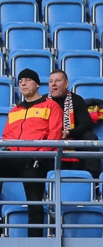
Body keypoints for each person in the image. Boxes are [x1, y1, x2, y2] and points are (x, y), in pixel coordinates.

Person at [0, 69, 63, 237]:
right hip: (13, 157)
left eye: (27, 80)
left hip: (35, 159)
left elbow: (54, 136)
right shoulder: (15, 110)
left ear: (37, 84)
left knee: (35, 203)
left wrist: (40, 155)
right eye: (20, 81)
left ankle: (35, 242)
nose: (23, 83)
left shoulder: (51, 106)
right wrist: (7, 151)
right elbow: (6, 136)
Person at [47, 70, 99, 177]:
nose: (53, 84)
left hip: (72, 137)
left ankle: (93, 179)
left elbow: (86, 124)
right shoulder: (44, 101)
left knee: (90, 137)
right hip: (49, 137)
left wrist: (69, 133)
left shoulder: (77, 100)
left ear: (66, 84)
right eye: (51, 81)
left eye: (57, 81)